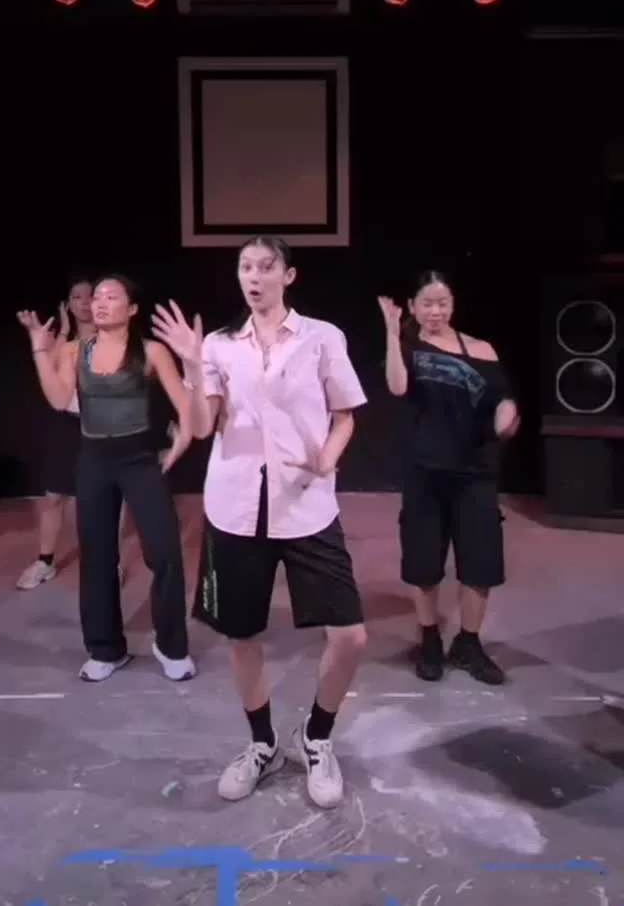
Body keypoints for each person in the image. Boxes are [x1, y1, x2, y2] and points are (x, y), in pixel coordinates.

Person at [152, 236, 367, 809]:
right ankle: (263, 744)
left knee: (350, 636)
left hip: (306, 503)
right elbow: (202, 427)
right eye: (245, 266)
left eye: (266, 266)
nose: (254, 276)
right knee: (241, 634)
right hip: (236, 506)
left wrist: (327, 458)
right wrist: (192, 363)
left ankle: (316, 736)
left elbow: (345, 415)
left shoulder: (322, 337)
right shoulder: (219, 345)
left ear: (288, 275)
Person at [17, 274, 195, 684]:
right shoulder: (74, 350)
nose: (99, 302)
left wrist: (179, 446)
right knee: (97, 557)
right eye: (96, 296)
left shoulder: (151, 351)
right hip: (95, 460)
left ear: (131, 309)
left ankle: (172, 646)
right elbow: (59, 399)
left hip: (140, 461)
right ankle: (105, 649)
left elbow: (186, 407)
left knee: (165, 552)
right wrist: (39, 348)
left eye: (111, 297)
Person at [378, 269, 519, 687]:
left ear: (453, 305)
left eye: (442, 303)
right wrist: (391, 333)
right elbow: (397, 387)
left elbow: (502, 397)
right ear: (413, 306)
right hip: (425, 472)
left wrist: (508, 413)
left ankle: (469, 643)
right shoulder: (409, 348)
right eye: (427, 303)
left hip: (475, 473)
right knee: (424, 563)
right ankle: (429, 640)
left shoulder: (481, 348)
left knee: (480, 564)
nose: (435, 311)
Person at [16, 278, 127, 590]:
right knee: (53, 496)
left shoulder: (116, 338)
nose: (85, 302)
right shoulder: (62, 342)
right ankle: (45, 561)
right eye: (76, 297)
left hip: (106, 426)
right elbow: (51, 379)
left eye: (90, 296)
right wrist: (60, 333)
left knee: (110, 500)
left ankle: (111, 561)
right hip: (69, 423)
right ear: (68, 305)